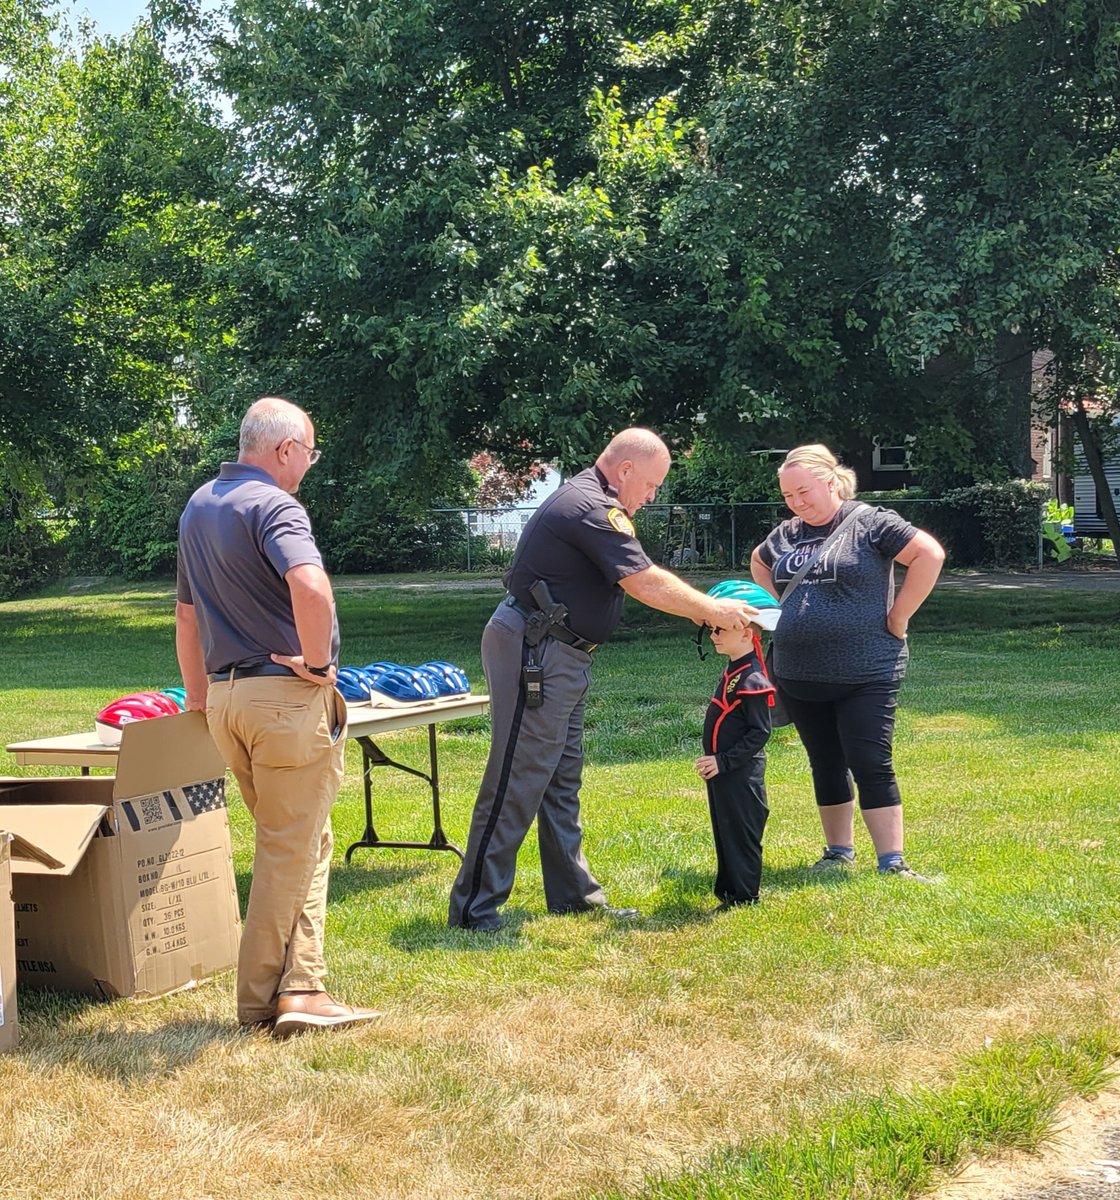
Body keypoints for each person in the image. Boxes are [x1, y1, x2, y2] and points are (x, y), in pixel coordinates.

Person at [448, 428, 760, 932]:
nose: (652, 496)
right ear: (626, 469)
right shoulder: (590, 507)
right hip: (537, 650)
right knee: (518, 775)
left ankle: (573, 896)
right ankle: (473, 909)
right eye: (652, 484)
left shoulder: (590, 500)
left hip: (557, 652)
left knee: (559, 777)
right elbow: (644, 581)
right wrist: (712, 611)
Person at [175, 396, 381, 1039]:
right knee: (286, 850)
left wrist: (200, 697)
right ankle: (261, 999)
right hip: (283, 699)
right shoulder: (275, 505)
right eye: (310, 452)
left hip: (225, 698)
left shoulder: (200, 505)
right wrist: (320, 664)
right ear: (285, 449)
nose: (308, 466)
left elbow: (186, 617)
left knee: (308, 843)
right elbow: (312, 586)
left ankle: (305, 985)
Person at [750, 444, 945, 881]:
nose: (797, 502)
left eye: (804, 491)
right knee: (825, 761)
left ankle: (892, 862)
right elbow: (759, 562)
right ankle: (838, 852)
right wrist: (774, 608)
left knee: (870, 760)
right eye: (788, 496)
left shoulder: (871, 523)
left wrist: (899, 615)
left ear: (830, 481)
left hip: (867, 671)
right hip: (798, 672)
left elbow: (929, 555)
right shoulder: (786, 534)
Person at [695, 582, 782, 909]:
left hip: (740, 773)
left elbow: (760, 732)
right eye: (712, 629)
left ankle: (745, 896)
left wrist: (724, 761)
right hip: (724, 771)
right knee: (725, 829)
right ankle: (730, 891)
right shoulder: (736, 668)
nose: (714, 635)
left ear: (747, 634)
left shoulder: (753, 680)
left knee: (741, 833)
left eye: (721, 629)